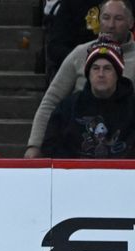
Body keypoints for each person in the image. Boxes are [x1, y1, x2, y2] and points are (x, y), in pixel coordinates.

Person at [26, 0, 135, 157]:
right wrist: (34, 145)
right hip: (77, 148)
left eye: (118, 19)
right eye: (106, 17)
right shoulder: (79, 54)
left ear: (131, 22)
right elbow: (51, 101)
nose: (111, 25)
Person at [42, 39, 135, 157]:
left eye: (107, 68)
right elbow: (50, 147)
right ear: (88, 74)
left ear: (117, 74)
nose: (101, 74)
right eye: (95, 68)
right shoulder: (67, 108)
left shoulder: (132, 107)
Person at [45, 0, 102, 81]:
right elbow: (55, 47)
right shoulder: (70, 4)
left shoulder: (120, 4)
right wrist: (82, 59)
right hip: (78, 70)